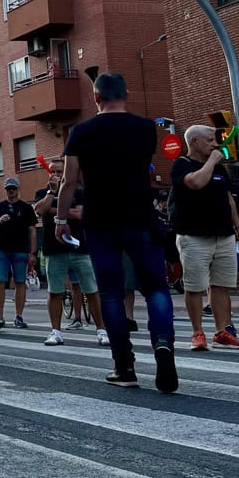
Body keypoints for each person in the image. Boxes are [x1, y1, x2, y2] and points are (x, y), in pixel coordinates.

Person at [57, 72, 177, 392]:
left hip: (100, 221)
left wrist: (59, 220)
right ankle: (164, 347)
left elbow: (69, 181)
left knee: (110, 293)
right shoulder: (145, 128)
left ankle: (124, 366)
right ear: (127, 94)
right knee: (155, 289)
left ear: (96, 98)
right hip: (140, 218)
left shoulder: (81, 132)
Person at [170, 125, 239, 350]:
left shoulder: (220, 169)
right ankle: (197, 332)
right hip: (194, 236)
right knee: (195, 286)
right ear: (195, 142)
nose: (215, 144)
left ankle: (222, 331)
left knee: (221, 285)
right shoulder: (182, 164)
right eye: (210, 140)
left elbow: (228, 198)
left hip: (224, 235)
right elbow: (196, 183)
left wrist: (237, 223)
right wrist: (211, 162)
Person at [34, 157, 108, 347]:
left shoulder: (80, 191)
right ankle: (56, 332)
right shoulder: (43, 192)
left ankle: (101, 330)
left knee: (91, 290)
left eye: (60, 172)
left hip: (80, 248)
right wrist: (52, 193)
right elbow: (39, 209)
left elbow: (79, 214)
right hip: (54, 249)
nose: (56, 175)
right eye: (53, 172)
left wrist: (54, 210)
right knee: (55, 292)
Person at [0, 177, 38, 329]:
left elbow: (32, 230)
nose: (11, 191)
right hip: (1, 249)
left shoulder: (26, 208)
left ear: (18, 189)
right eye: (8, 189)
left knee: (20, 282)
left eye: (13, 189)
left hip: (21, 250)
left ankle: (19, 316)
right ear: (5, 190)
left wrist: (33, 252)